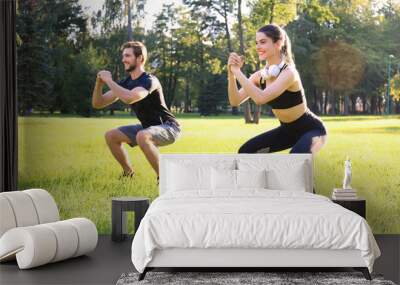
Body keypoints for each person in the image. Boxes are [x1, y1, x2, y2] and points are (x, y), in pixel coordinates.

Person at [227, 24, 327, 154]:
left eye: (263, 42)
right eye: (257, 43)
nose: (258, 47)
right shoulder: (259, 76)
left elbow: (260, 98)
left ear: (278, 43)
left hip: (312, 130)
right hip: (287, 131)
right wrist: (231, 73)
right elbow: (235, 101)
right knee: (246, 151)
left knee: (295, 160)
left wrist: (238, 71)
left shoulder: (289, 73)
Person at [92, 41, 181, 180]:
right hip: (147, 127)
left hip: (169, 127)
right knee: (111, 136)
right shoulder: (126, 83)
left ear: (140, 58)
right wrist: (99, 83)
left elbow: (130, 98)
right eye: (123, 56)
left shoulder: (149, 80)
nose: (123, 60)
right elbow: (98, 103)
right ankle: (128, 173)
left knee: (142, 136)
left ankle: (163, 179)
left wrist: (109, 80)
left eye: (127, 56)